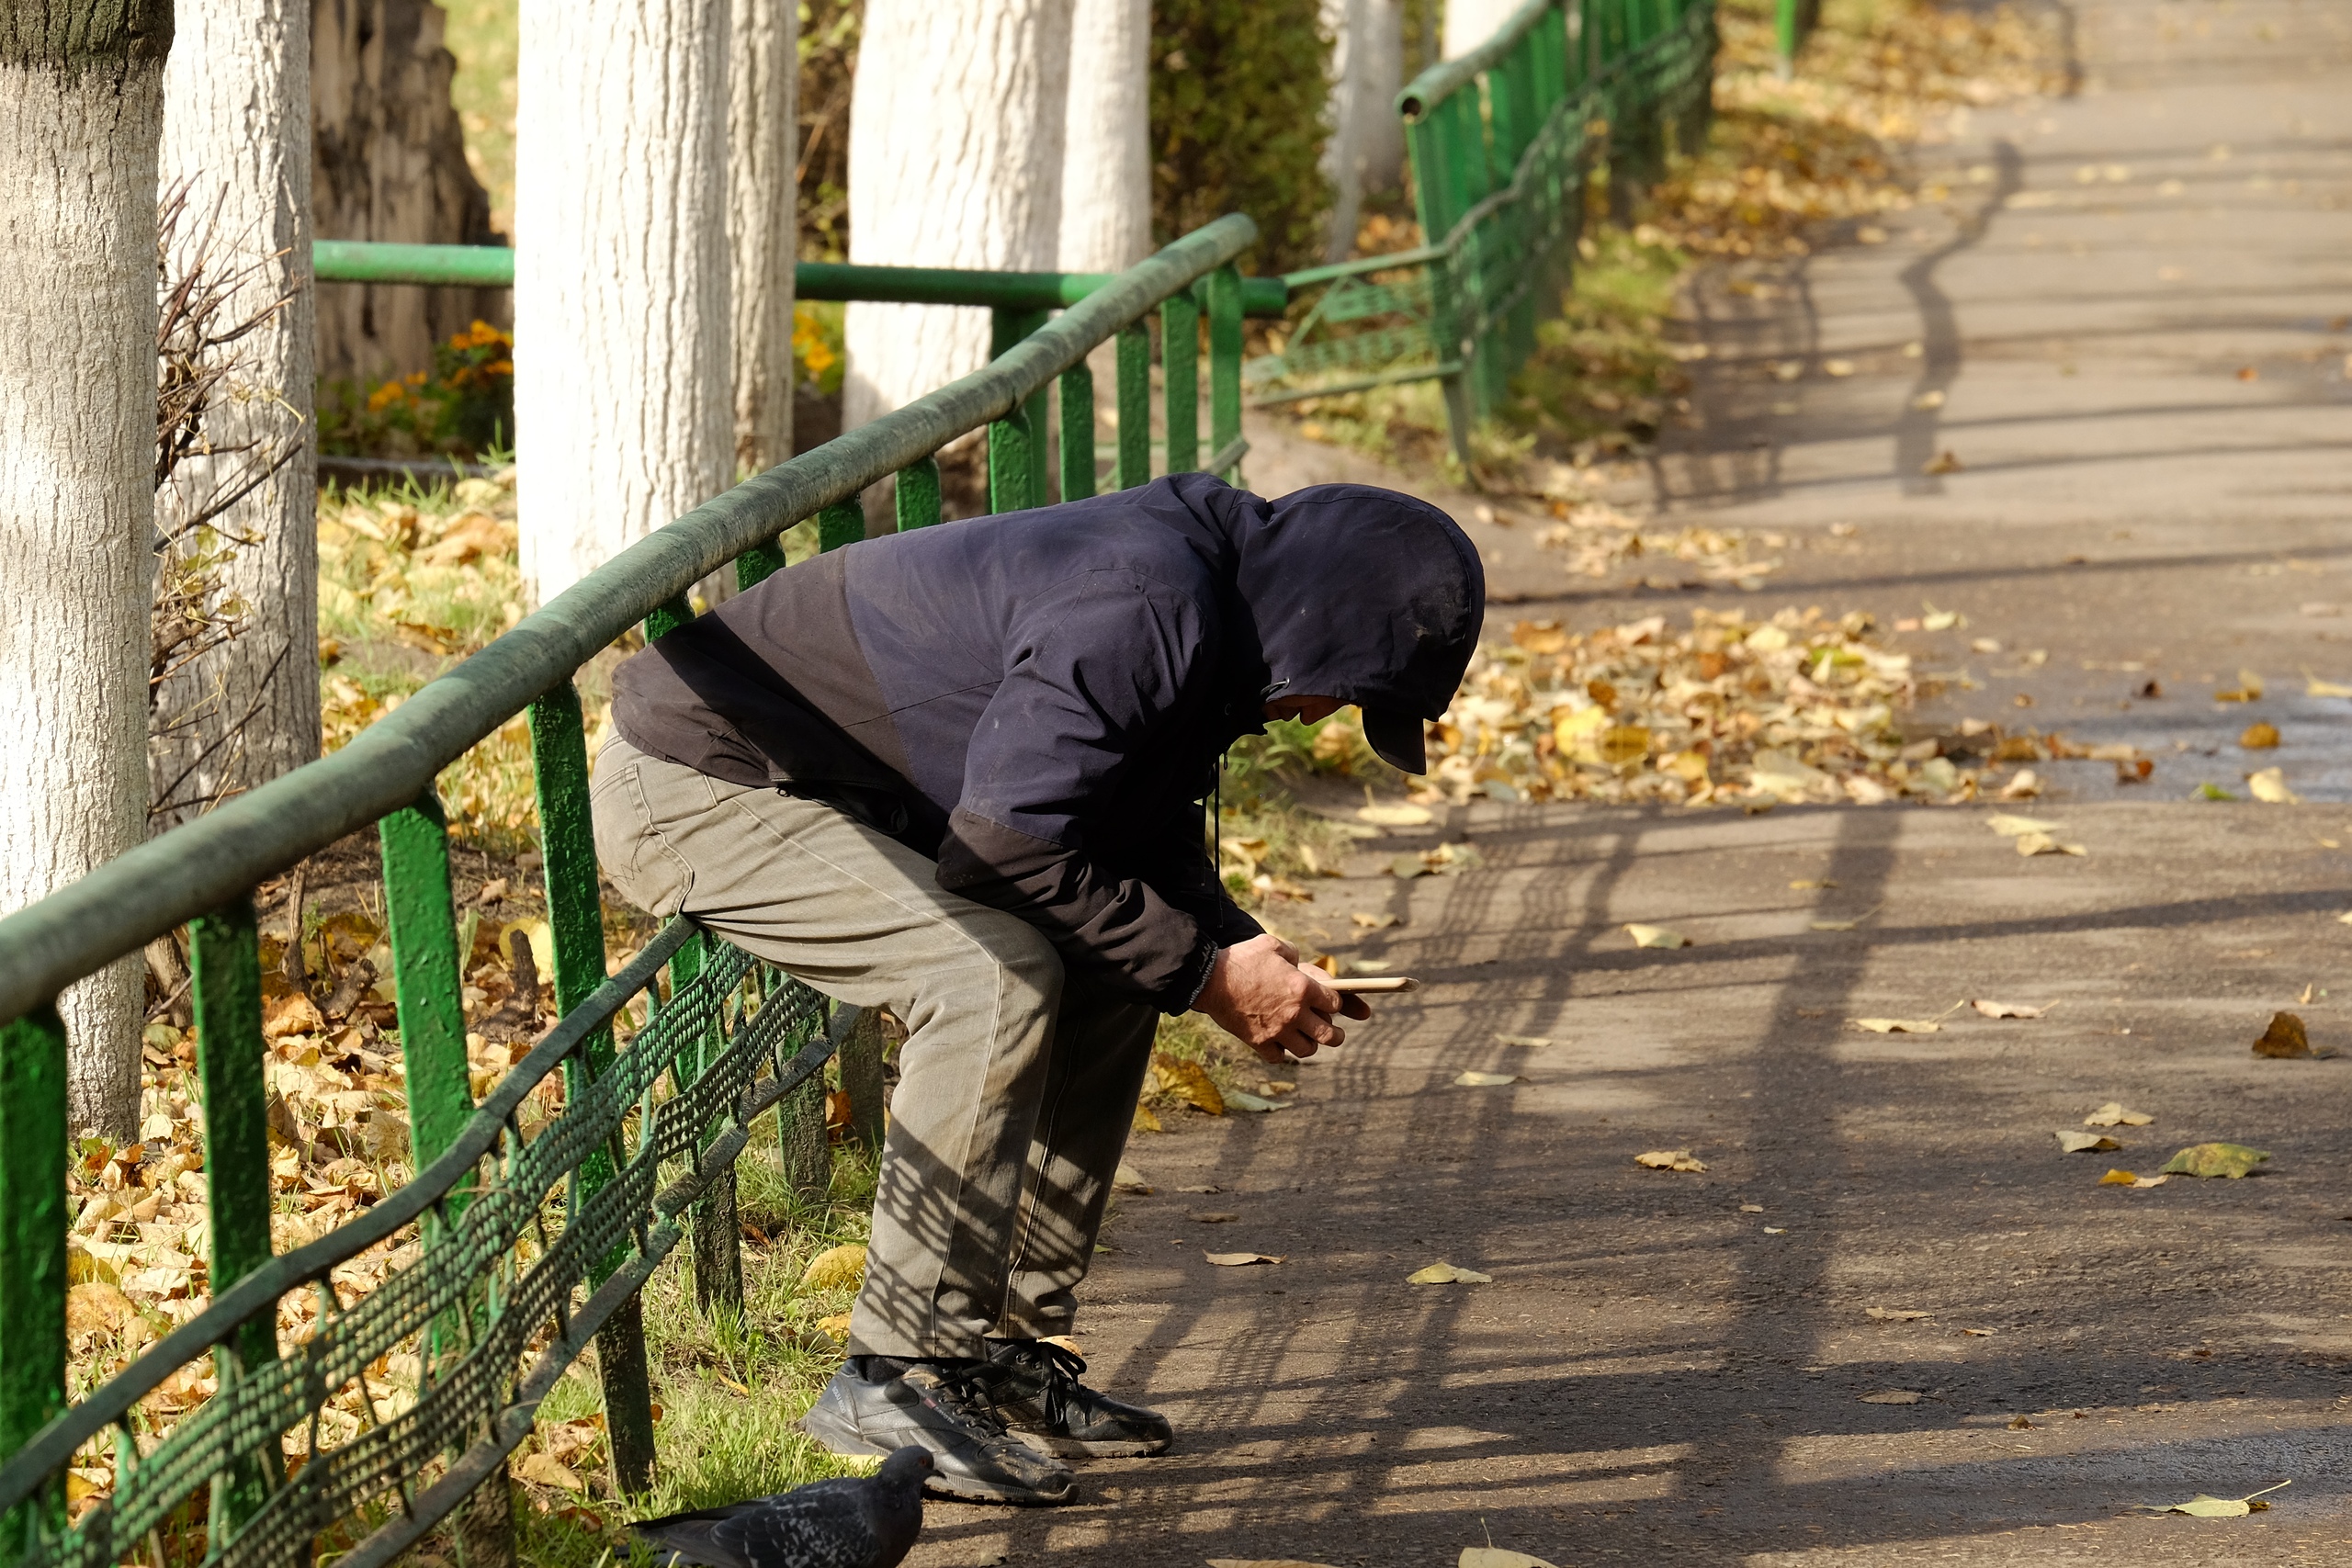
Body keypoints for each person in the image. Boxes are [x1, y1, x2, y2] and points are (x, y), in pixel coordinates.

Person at [591, 472, 1482, 1504]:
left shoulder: (1209, 602)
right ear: (1319, 615)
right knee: (988, 976)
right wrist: (1205, 972)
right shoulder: (1145, 604)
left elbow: (1119, 819)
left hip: (838, 784)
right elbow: (1002, 845)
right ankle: (897, 1369)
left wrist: (1235, 947)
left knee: (1117, 966)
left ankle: (992, 1342)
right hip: (701, 781)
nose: (1320, 716)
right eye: (1345, 687)